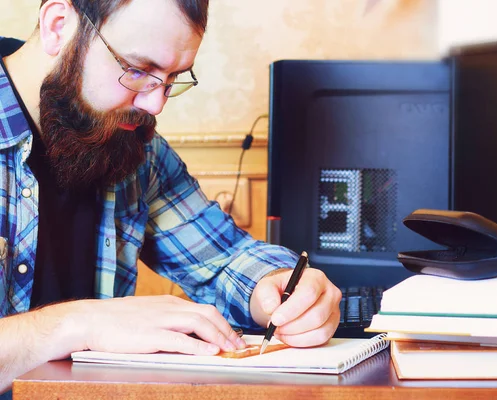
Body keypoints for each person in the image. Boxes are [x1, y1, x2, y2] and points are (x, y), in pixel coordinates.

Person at [0, 0, 342, 394]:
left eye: (172, 78)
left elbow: (222, 259)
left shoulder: (133, 147)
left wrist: (280, 288)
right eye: (137, 70)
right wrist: (79, 324)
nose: (154, 105)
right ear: (58, 26)